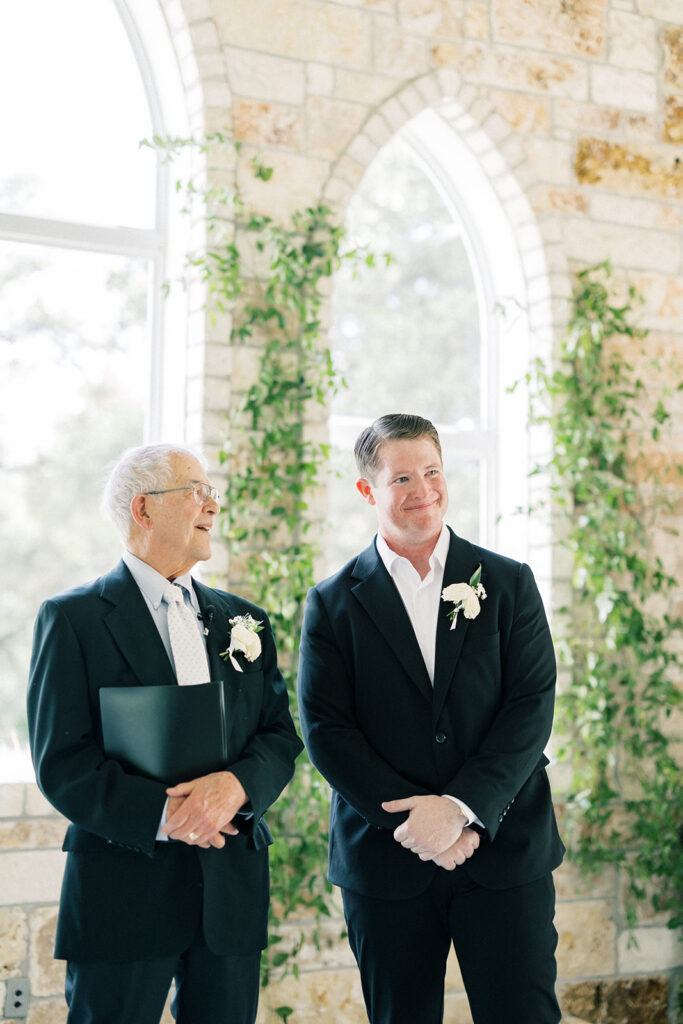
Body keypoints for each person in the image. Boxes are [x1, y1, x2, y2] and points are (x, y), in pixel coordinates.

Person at [297, 413, 565, 1024]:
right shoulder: (332, 603)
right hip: (387, 862)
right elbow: (327, 731)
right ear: (368, 491)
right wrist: (421, 825)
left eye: (433, 471)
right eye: (402, 478)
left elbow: (531, 707)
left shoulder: (508, 582)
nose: (423, 490)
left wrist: (462, 809)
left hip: (501, 849)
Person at [27, 443, 302, 1024]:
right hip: (122, 894)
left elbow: (279, 737)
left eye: (212, 493)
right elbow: (63, 762)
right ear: (143, 511)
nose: (212, 506)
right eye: (196, 492)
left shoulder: (243, 620)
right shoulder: (71, 619)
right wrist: (168, 815)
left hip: (228, 893)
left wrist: (236, 787)